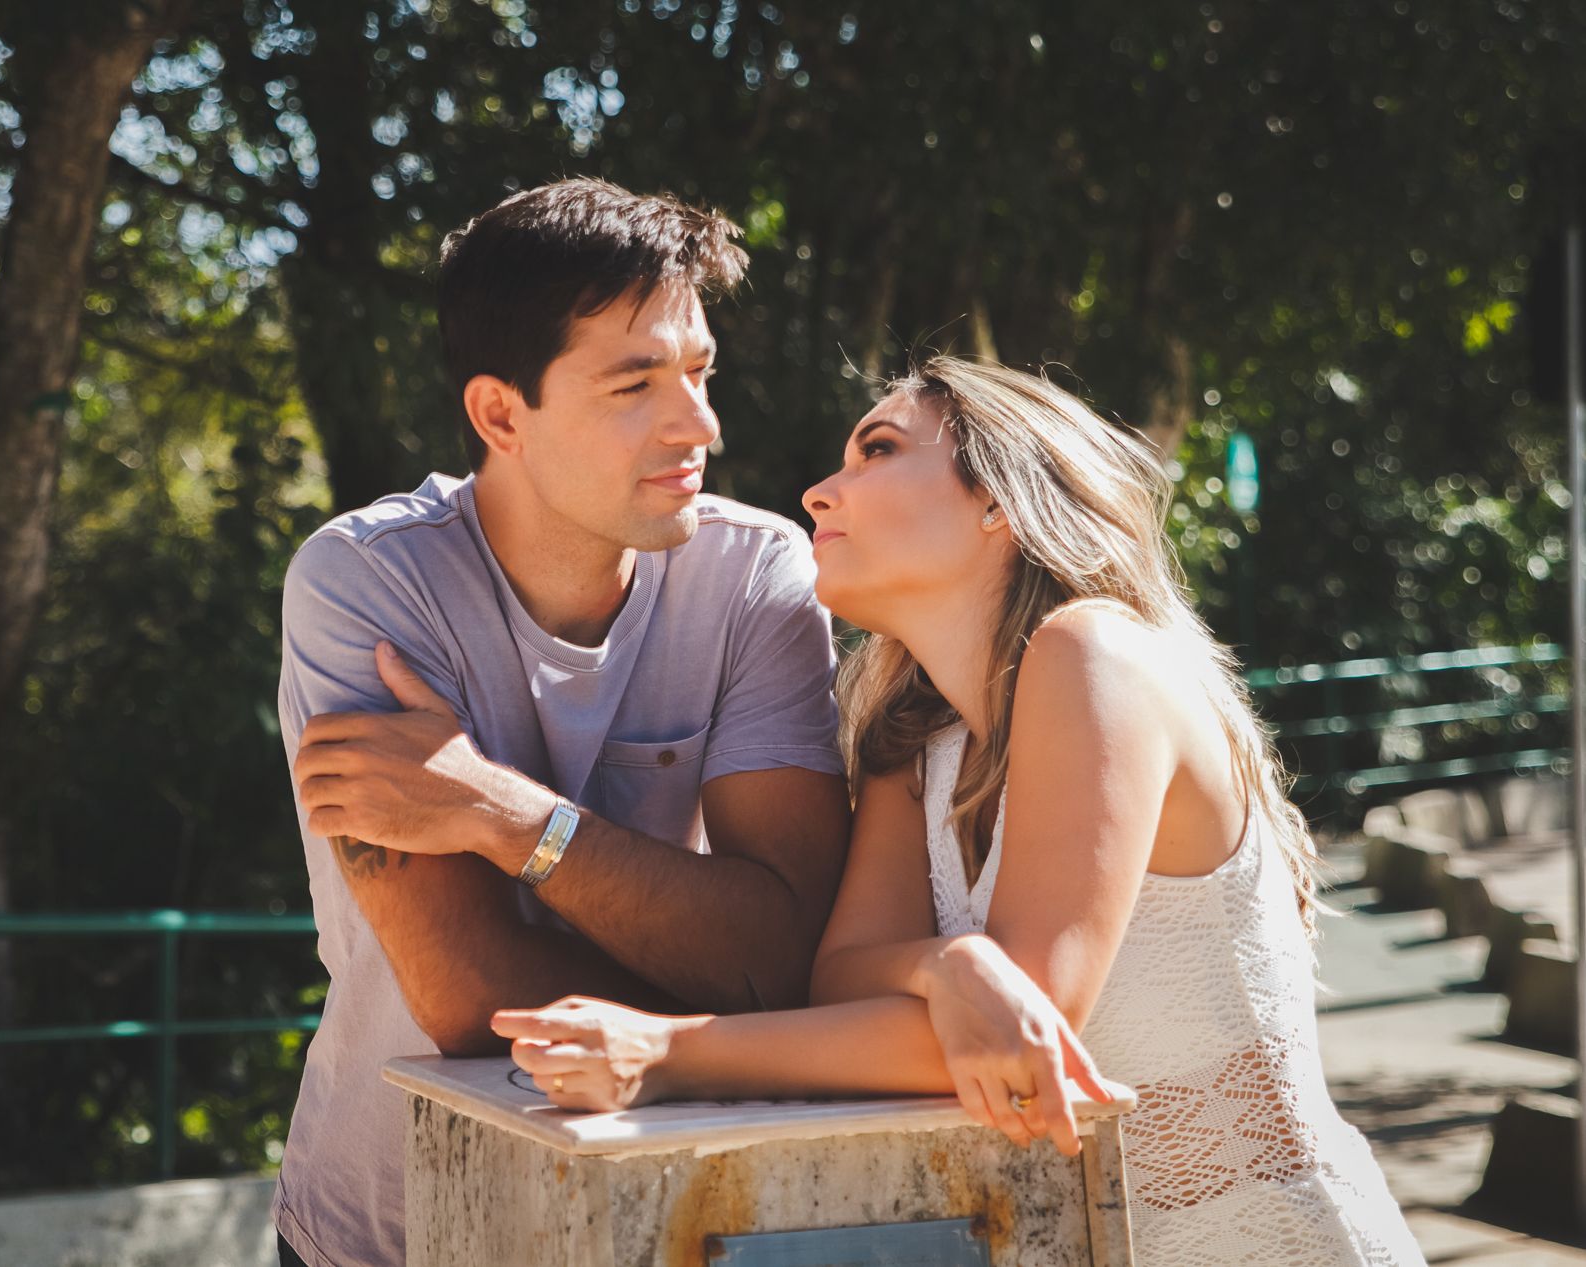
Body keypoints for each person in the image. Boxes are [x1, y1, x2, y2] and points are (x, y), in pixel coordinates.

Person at [492, 358, 1428, 1266]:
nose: (819, 492)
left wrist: (667, 1051)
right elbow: (841, 990)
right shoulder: (918, 740)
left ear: (998, 501)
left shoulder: (1094, 653)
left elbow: (1028, 1023)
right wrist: (946, 963)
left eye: (878, 450)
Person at [270, 179, 861, 1267]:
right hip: (387, 1233)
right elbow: (468, 1000)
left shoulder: (754, 573)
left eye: (699, 373)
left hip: (655, 1222)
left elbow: (781, 961)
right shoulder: (367, 584)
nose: (699, 424)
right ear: (501, 415)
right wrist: (735, 1023)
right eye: (635, 384)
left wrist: (503, 815)